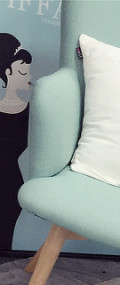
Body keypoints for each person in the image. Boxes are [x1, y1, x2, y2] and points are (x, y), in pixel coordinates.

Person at [0, 32, 32, 251]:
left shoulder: (30, 110)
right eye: (23, 71)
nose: (28, 75)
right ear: (7, 72)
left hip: (13, 186)